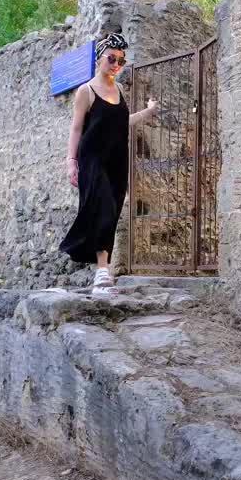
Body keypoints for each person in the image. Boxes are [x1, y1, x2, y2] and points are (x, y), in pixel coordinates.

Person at [59, 32, 158, 294]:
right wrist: (71, 161)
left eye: (121, 61)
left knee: (111, 212)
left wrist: (147, 112)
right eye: (111, 58)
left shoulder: (120, 90)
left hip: (117, 160)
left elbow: (120, 123)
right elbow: (77, 129)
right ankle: (103, 272)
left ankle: (102, 273)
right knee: (101, 206)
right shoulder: (86, 91)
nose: (116, 65)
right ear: (99, 59)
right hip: (92, 159)